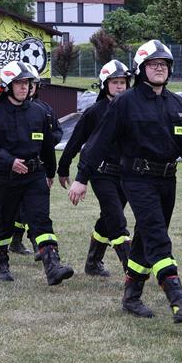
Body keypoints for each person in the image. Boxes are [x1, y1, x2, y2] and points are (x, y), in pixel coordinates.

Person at [68, 40, 182, 323]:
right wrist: (82, 177)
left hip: (167, 180)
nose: (159, 69)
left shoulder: (178, 103)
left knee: (146, 238)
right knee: (157, 235)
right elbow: (98, 142)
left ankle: (131, 296)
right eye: (153, 64)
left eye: (164, 65)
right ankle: (177, 298)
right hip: (136, 179)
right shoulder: (125, 102)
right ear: (141, 69)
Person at [0, 60, 74, 285]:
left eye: (28, 83)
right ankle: (1, 264)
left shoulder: (39, 112)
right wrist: (9, 161)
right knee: (4, 222)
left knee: (41, 219)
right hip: (5, 177)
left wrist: (51, 171)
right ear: (8, 85)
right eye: (19, 83)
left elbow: (48, 145)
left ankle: (52, 266)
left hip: (35, 175)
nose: (24, 87)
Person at [58, 59, 132, 276]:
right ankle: (133, 271)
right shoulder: (94, 112)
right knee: (117, 221)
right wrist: (63, 168)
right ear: (104, 84)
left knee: (108, 216)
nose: (120, 86)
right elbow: (74, 142)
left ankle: (93, 262)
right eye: (115, 82)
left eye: (123, 82)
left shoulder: (133, 109)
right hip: (101, 174)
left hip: (126, 175)